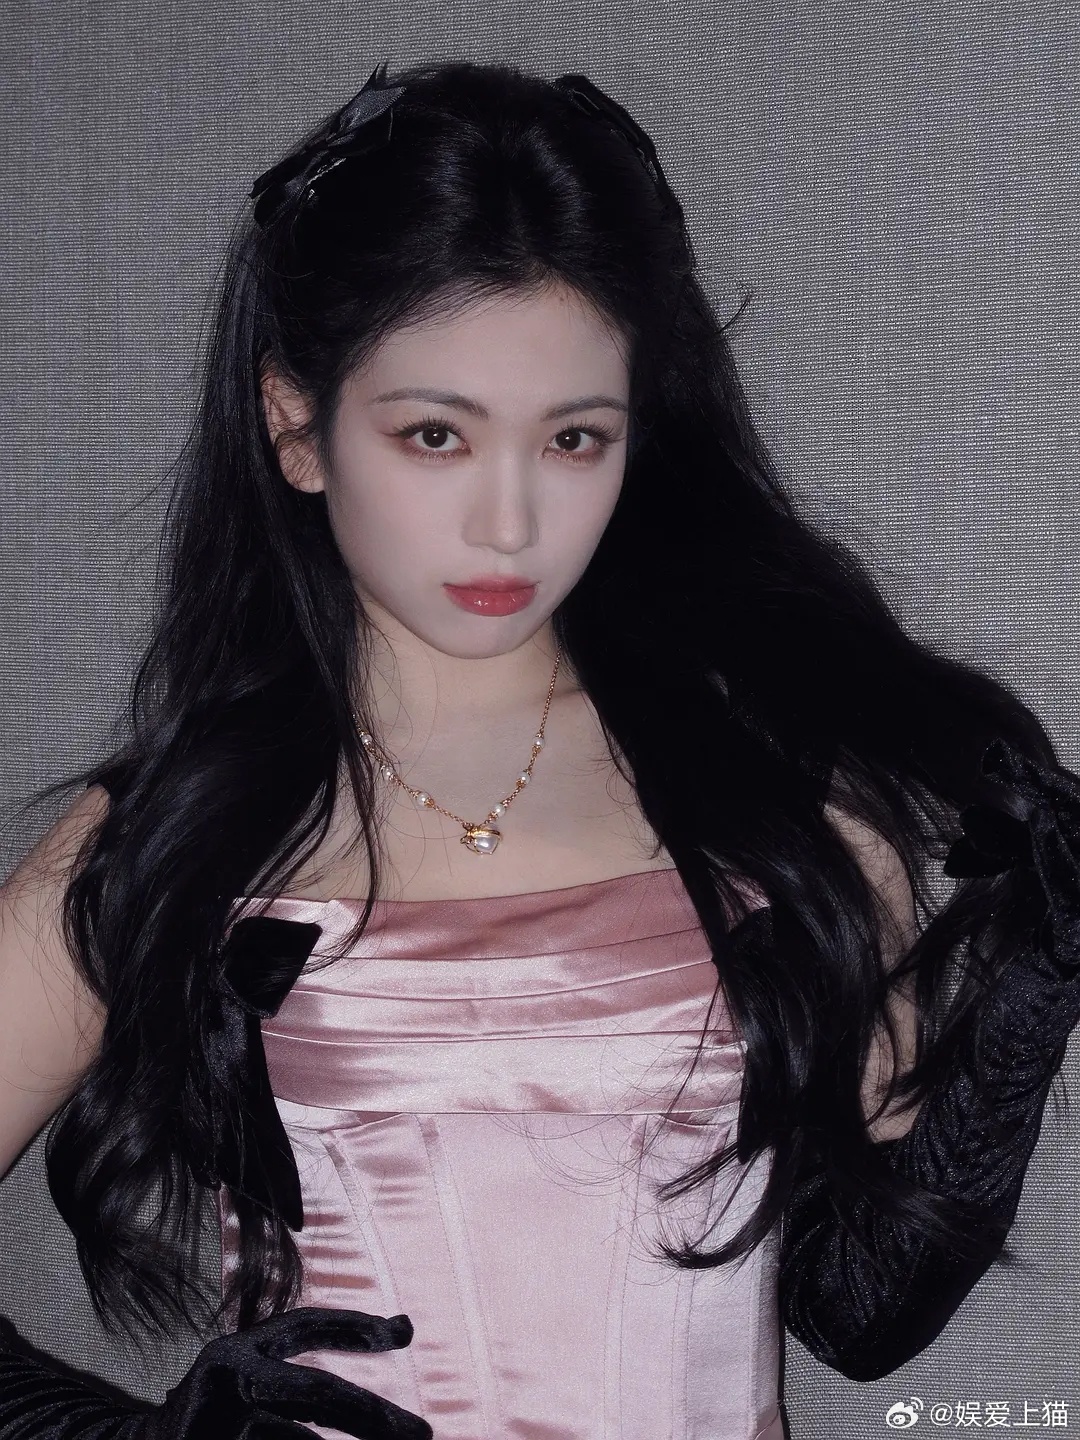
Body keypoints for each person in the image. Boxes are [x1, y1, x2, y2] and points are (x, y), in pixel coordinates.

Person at [0, 56, 1077, 1440]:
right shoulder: (164, 839)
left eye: (573, 439)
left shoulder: (779, 805)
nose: (509, 523)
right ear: (295, 424)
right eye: (435, 435)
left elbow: (857, 1314)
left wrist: (1035, 990)